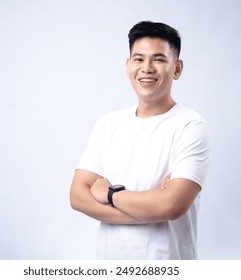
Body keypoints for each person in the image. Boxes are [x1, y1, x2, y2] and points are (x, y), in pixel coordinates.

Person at [70, 21, 210, 260]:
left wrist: (111, 195)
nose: (147, 68)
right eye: (138, 59)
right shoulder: (108, 124)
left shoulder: (190, 126)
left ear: (177, 68)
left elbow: (171, 206)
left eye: (158, 59)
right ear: (128, 66)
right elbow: (77, 196)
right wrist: (150, 206)